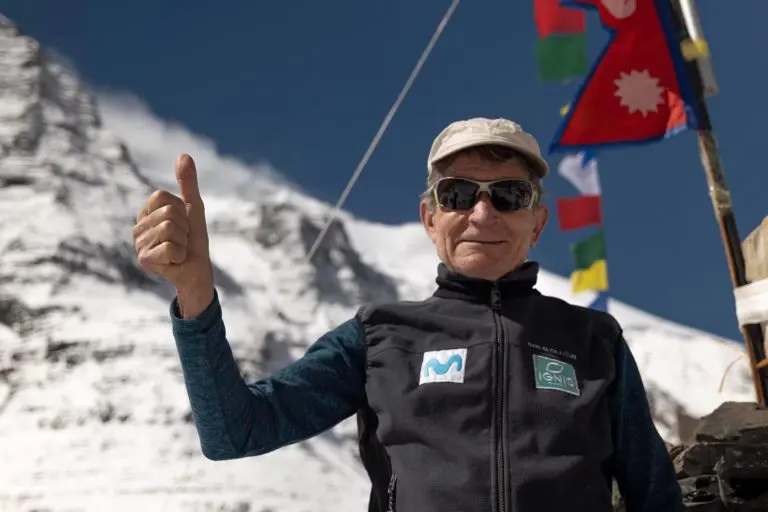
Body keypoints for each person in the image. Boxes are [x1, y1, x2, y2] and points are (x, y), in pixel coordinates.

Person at [132, 117, 685, 512]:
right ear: (430, 217)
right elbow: (234, 433)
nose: (482, 212)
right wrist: (195, 292)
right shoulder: (379, 336)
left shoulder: (593, 339)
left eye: (509, 195)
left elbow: (654, 494)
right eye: (458, 193)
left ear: (537, 223)